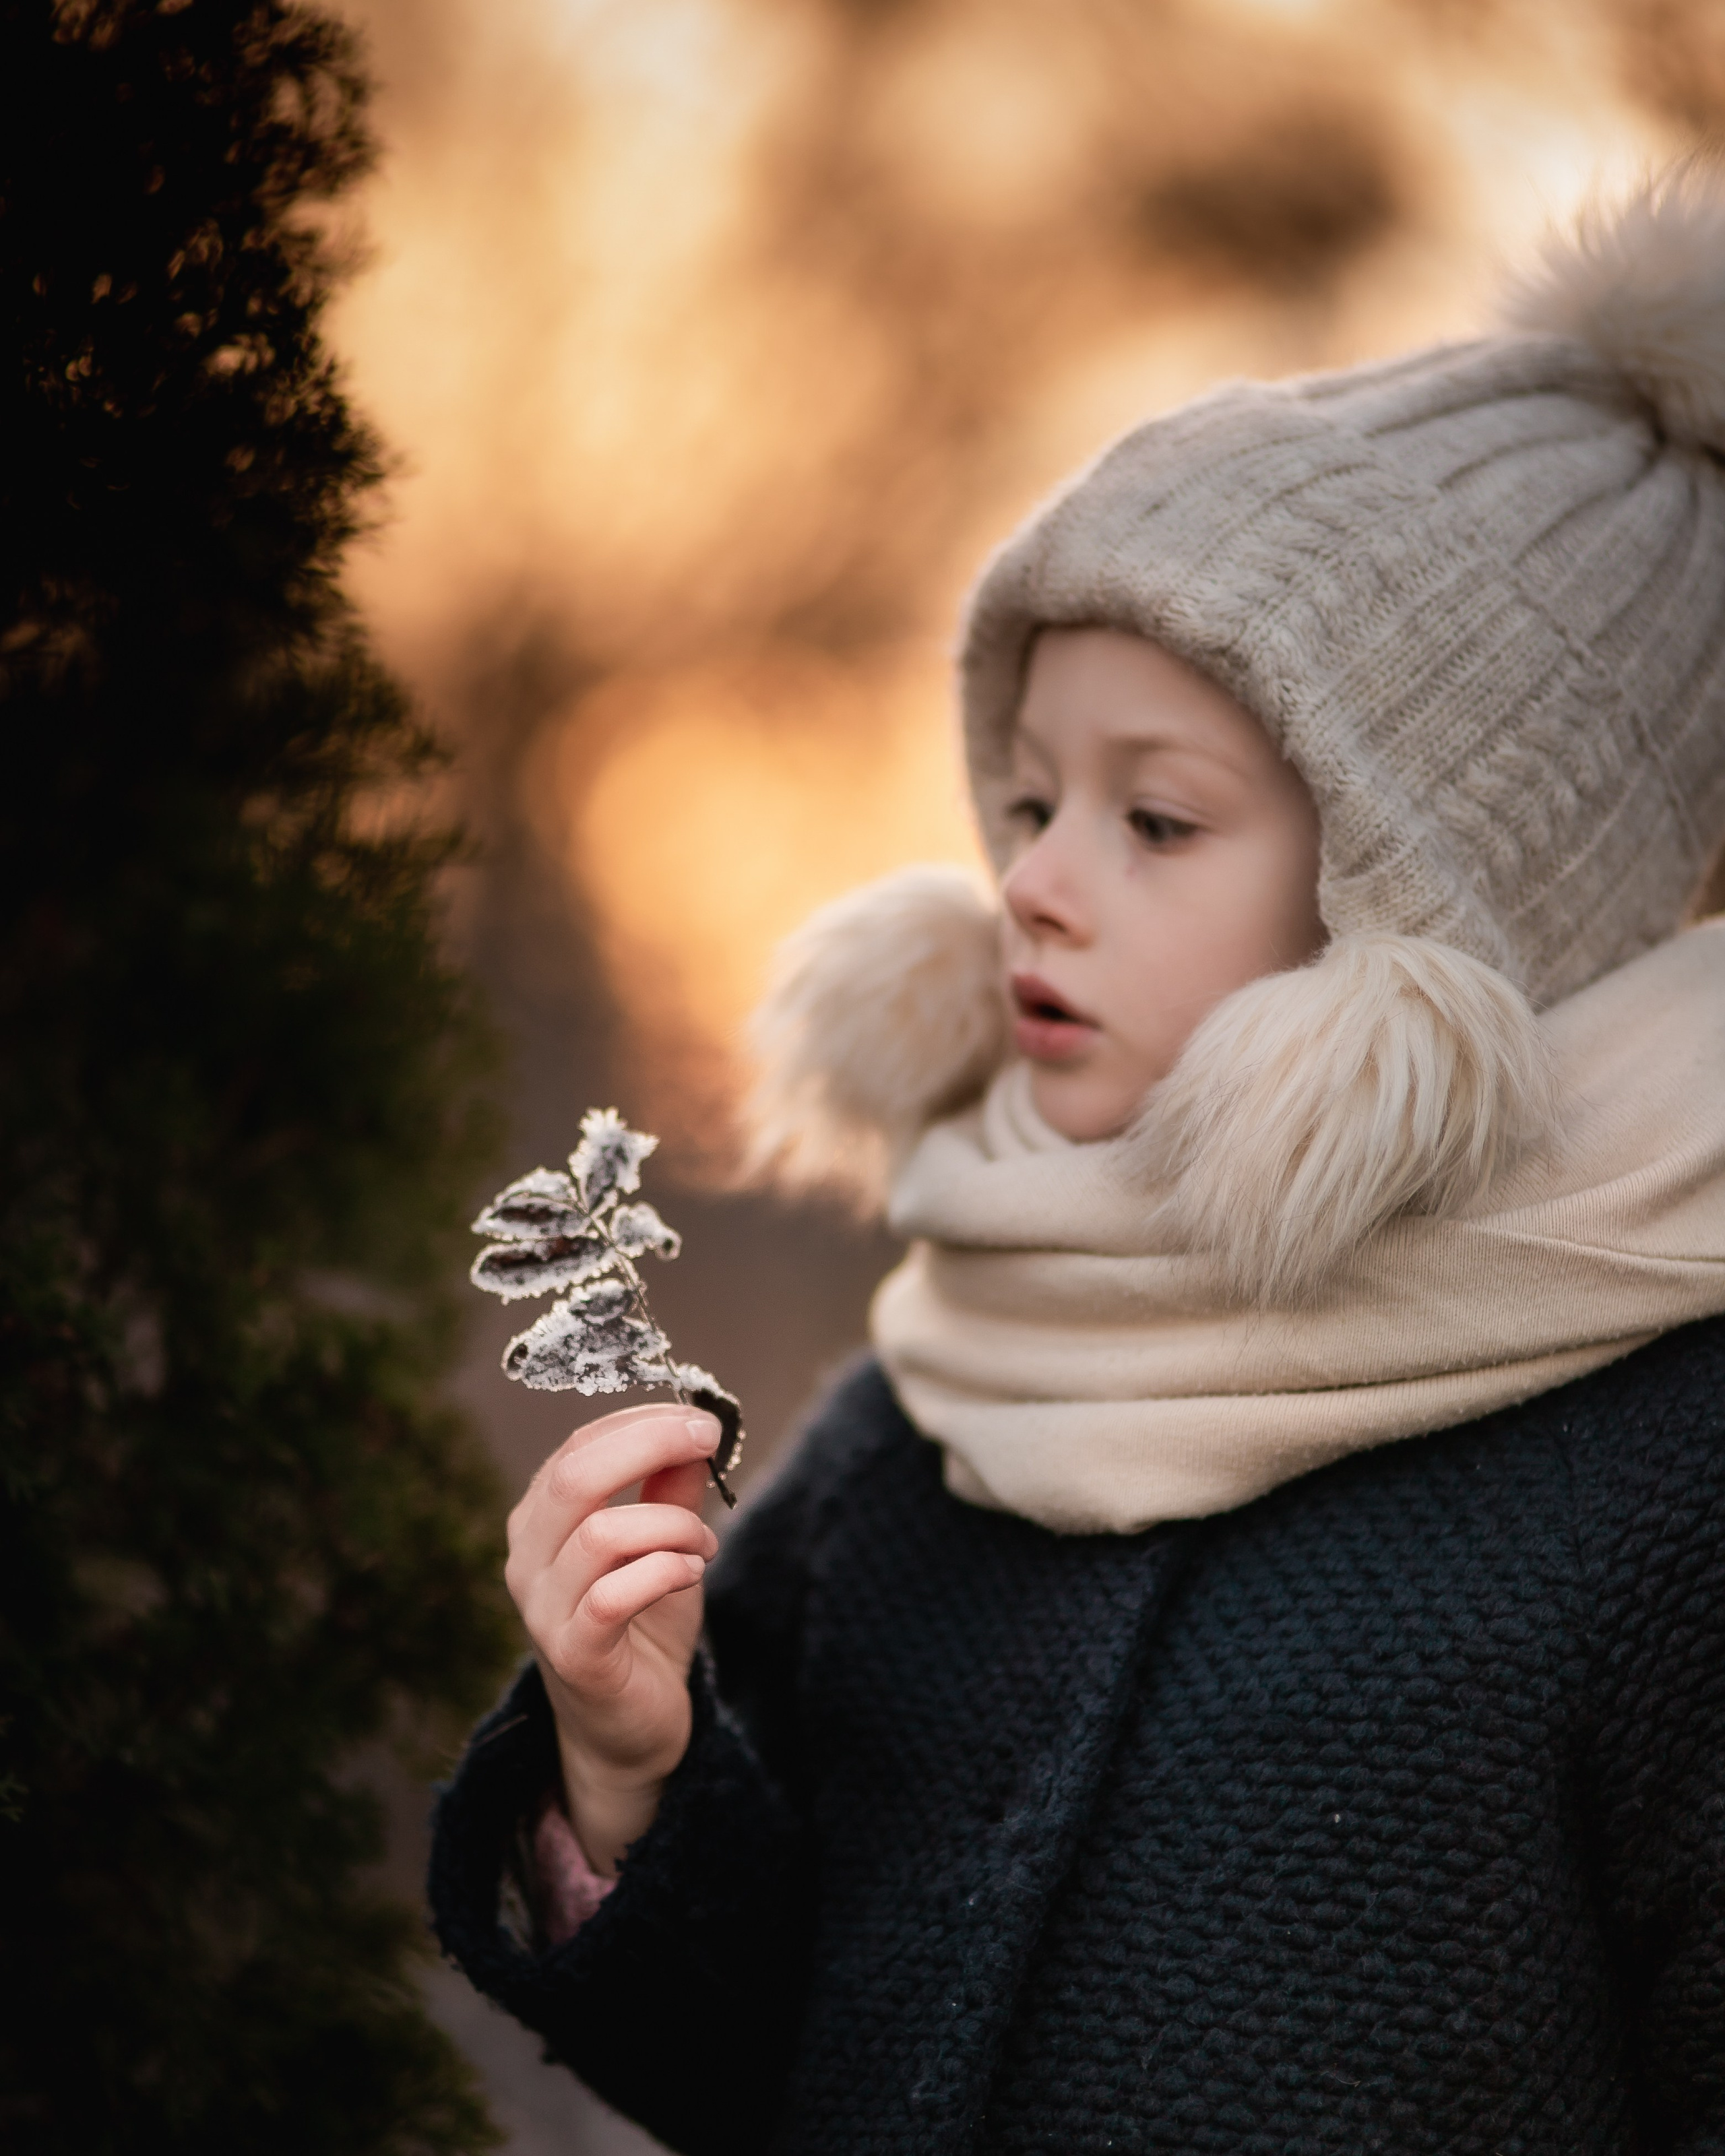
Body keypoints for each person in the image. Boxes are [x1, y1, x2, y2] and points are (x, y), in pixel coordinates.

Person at [429, 168, 1725, 2155]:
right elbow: (761, 2061)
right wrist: (629, 1767)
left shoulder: (1668, 1476)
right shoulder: (934, 1403)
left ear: (1448, 897)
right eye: (1030, 795)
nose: (1030, 882)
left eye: (1161, 819)